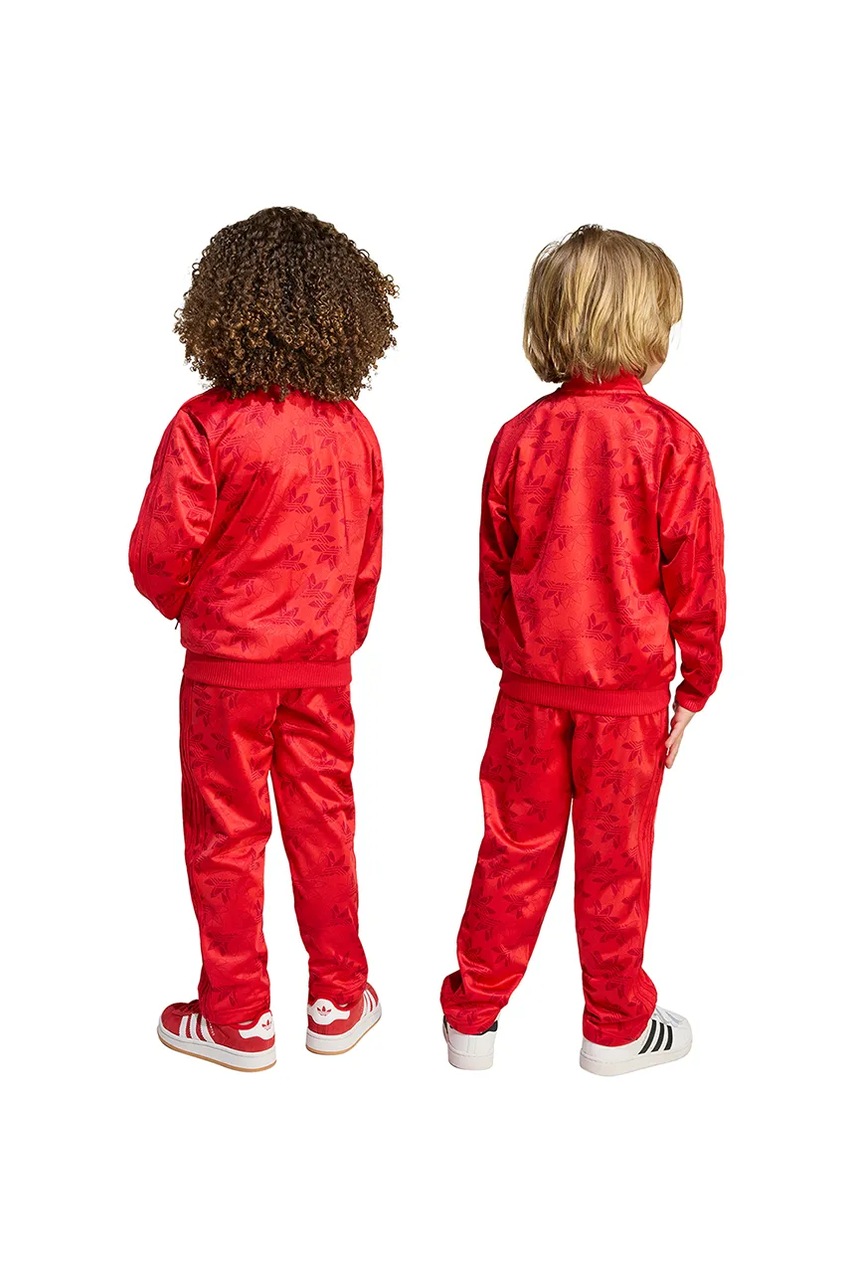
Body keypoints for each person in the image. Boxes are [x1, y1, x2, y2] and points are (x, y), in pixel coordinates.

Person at [441, 225, 725, 1075]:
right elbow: (697, 579)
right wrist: (695, 686)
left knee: (510, 853)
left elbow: (493, 572)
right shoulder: (670, 442)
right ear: (644, 324)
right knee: (614, 867)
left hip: (527, 695)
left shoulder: (515, 438)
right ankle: (613, 1027)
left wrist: (518, 659)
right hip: (624, 705)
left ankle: (471, 1021)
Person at [130, 207, 395, 1071]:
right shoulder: (354, 432)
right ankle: (339, 996)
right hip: (321, 668)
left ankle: (237, 1016)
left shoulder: (205, 425)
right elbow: (364, 563)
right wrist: (334, 635)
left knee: (225, 836)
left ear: (223, 305)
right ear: (345, 312)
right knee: (326, 826)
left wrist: (196, 610)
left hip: (225, 673)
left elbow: (157, 555)